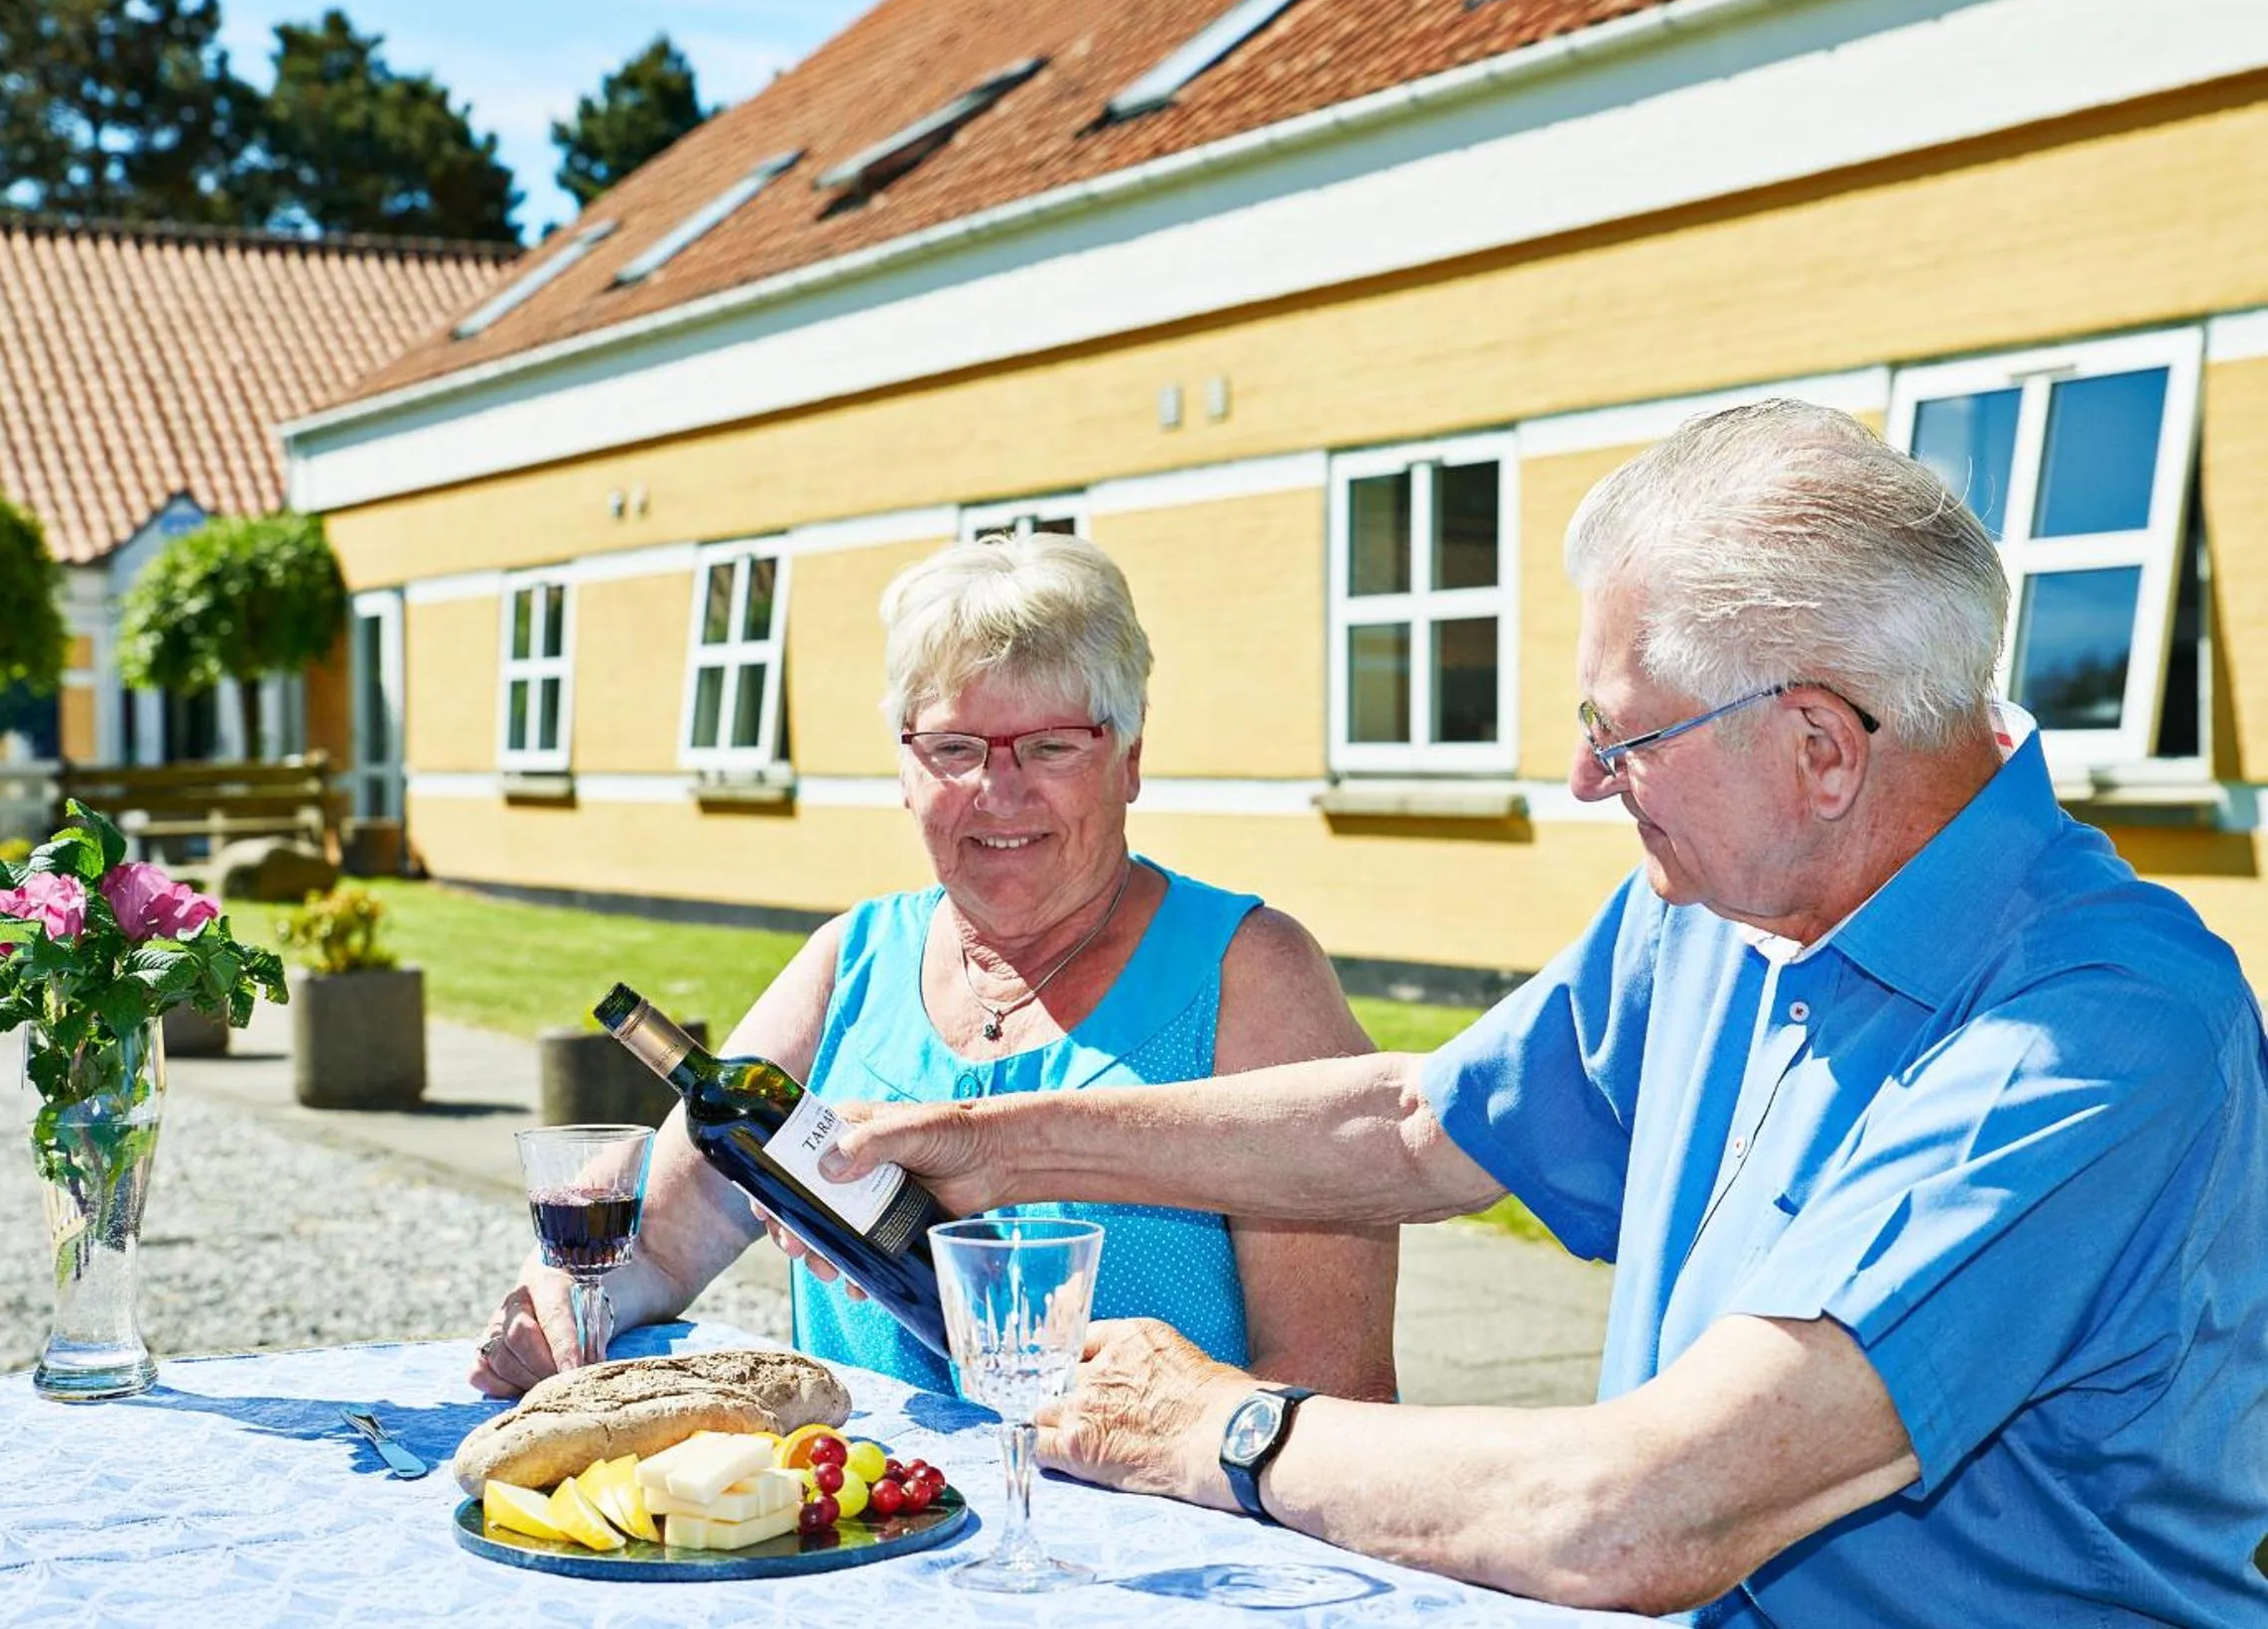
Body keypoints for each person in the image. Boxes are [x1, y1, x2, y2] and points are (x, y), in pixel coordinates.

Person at [814, 402, 2268, 1624]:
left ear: (1819, 746)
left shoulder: (2098, 1037)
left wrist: (1220, 1429)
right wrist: (996, 1145)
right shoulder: (1718, 904)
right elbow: (1408, 1126)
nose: (1586, 784)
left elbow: (1645, 1514)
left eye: (1620, 735)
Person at [470, 531, 1400, 1403]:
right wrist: (559, 1293)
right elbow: (659, 1245)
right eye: (953, 748)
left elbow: (1336, 1388)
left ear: (1130, 757)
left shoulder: (1249, 975)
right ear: (904, 769)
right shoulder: (852, 961)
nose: (999, 791)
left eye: (1050, 746)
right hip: (873, 1528)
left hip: (1150, 1543)